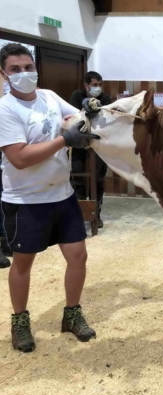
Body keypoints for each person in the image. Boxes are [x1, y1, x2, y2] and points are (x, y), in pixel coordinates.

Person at [0, 43, 100, 353]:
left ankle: (72, 313)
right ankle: (20, 321)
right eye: (15, 69)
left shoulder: (49, 98)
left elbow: (77, 120)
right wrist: (65, 139)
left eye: (28, 67)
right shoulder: (5, 109)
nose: (24, 73)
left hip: (62, 195)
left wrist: (90, 111)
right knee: (23, 264)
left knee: (78, 257)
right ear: (3, 74)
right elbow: (20, 158)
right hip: (25, 200)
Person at [69, 71, 111, 229]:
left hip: (98, 143)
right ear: (86, 85)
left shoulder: (105, 99)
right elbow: (73, 117)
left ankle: (96, 215)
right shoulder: (77, 96)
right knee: (77, 178)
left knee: (98, 179)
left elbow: (106, 120)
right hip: (79, 143)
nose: (98, 88)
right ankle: (78, 215)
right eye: (94, 85)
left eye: (100, 85)